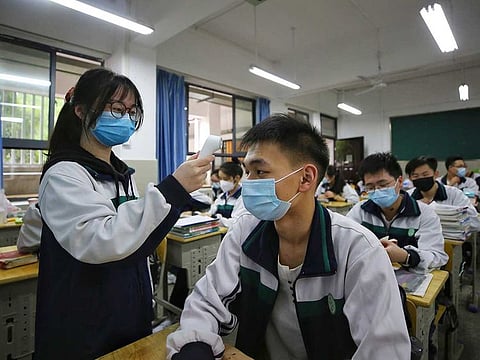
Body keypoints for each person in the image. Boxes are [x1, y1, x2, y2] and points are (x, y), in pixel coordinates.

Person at [167, 114, 410, 360]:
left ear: (305, 178)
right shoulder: (245, 231)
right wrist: (194, 347)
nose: (249, 183)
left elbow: (384, 351)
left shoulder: (358, 250)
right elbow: (207, 301)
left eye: (260, 171)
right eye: (247, 171)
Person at [32, 68, 213, 359]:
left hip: (127, 308)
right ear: (80, 111)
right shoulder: (64, 175)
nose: (126, 118)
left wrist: (177, 194)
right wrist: (174, 188)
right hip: (85, 319)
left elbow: (137, 235)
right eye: (117, 109)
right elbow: (102, 240)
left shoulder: (120, 173)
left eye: (132, 111)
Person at [347, 152, 448, 273]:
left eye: (383, 184)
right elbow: (345, 243)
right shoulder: (360, 211)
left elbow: (436, 256)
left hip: (410, 279)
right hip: (370, 275)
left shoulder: (424, 214)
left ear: (399, 181)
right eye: (370, 187)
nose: (377, 191)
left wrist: (406, 256)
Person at [208, 161, 246, 228]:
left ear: (237, 178)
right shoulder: (221, 197)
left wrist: (217, 219)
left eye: (225, 179)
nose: (222, 182)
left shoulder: (243, 198)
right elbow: (211, 212)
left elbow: (236, 222)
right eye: (220, 179)